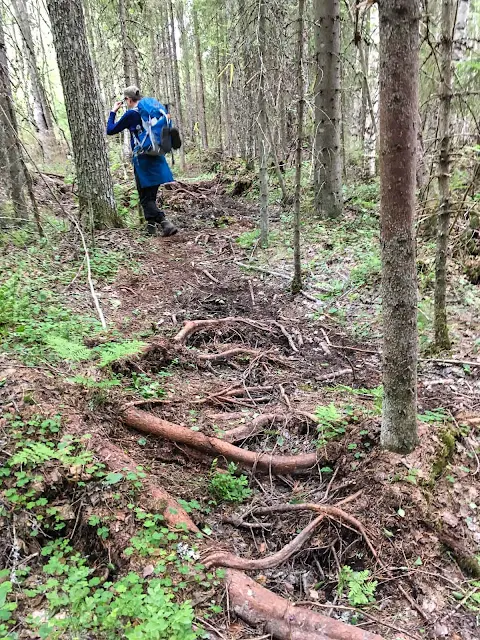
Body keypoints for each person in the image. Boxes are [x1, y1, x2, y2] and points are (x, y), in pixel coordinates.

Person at [106, 85, 178, 237]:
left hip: (142, 159)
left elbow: (110, 130)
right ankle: (150, 229)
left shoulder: (131, 114)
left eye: (125, 100)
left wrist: (113, 112)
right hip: (157, 155)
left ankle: (165, 222)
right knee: (150, 196)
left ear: (128, 99)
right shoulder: (151, 111)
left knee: (145, 198)